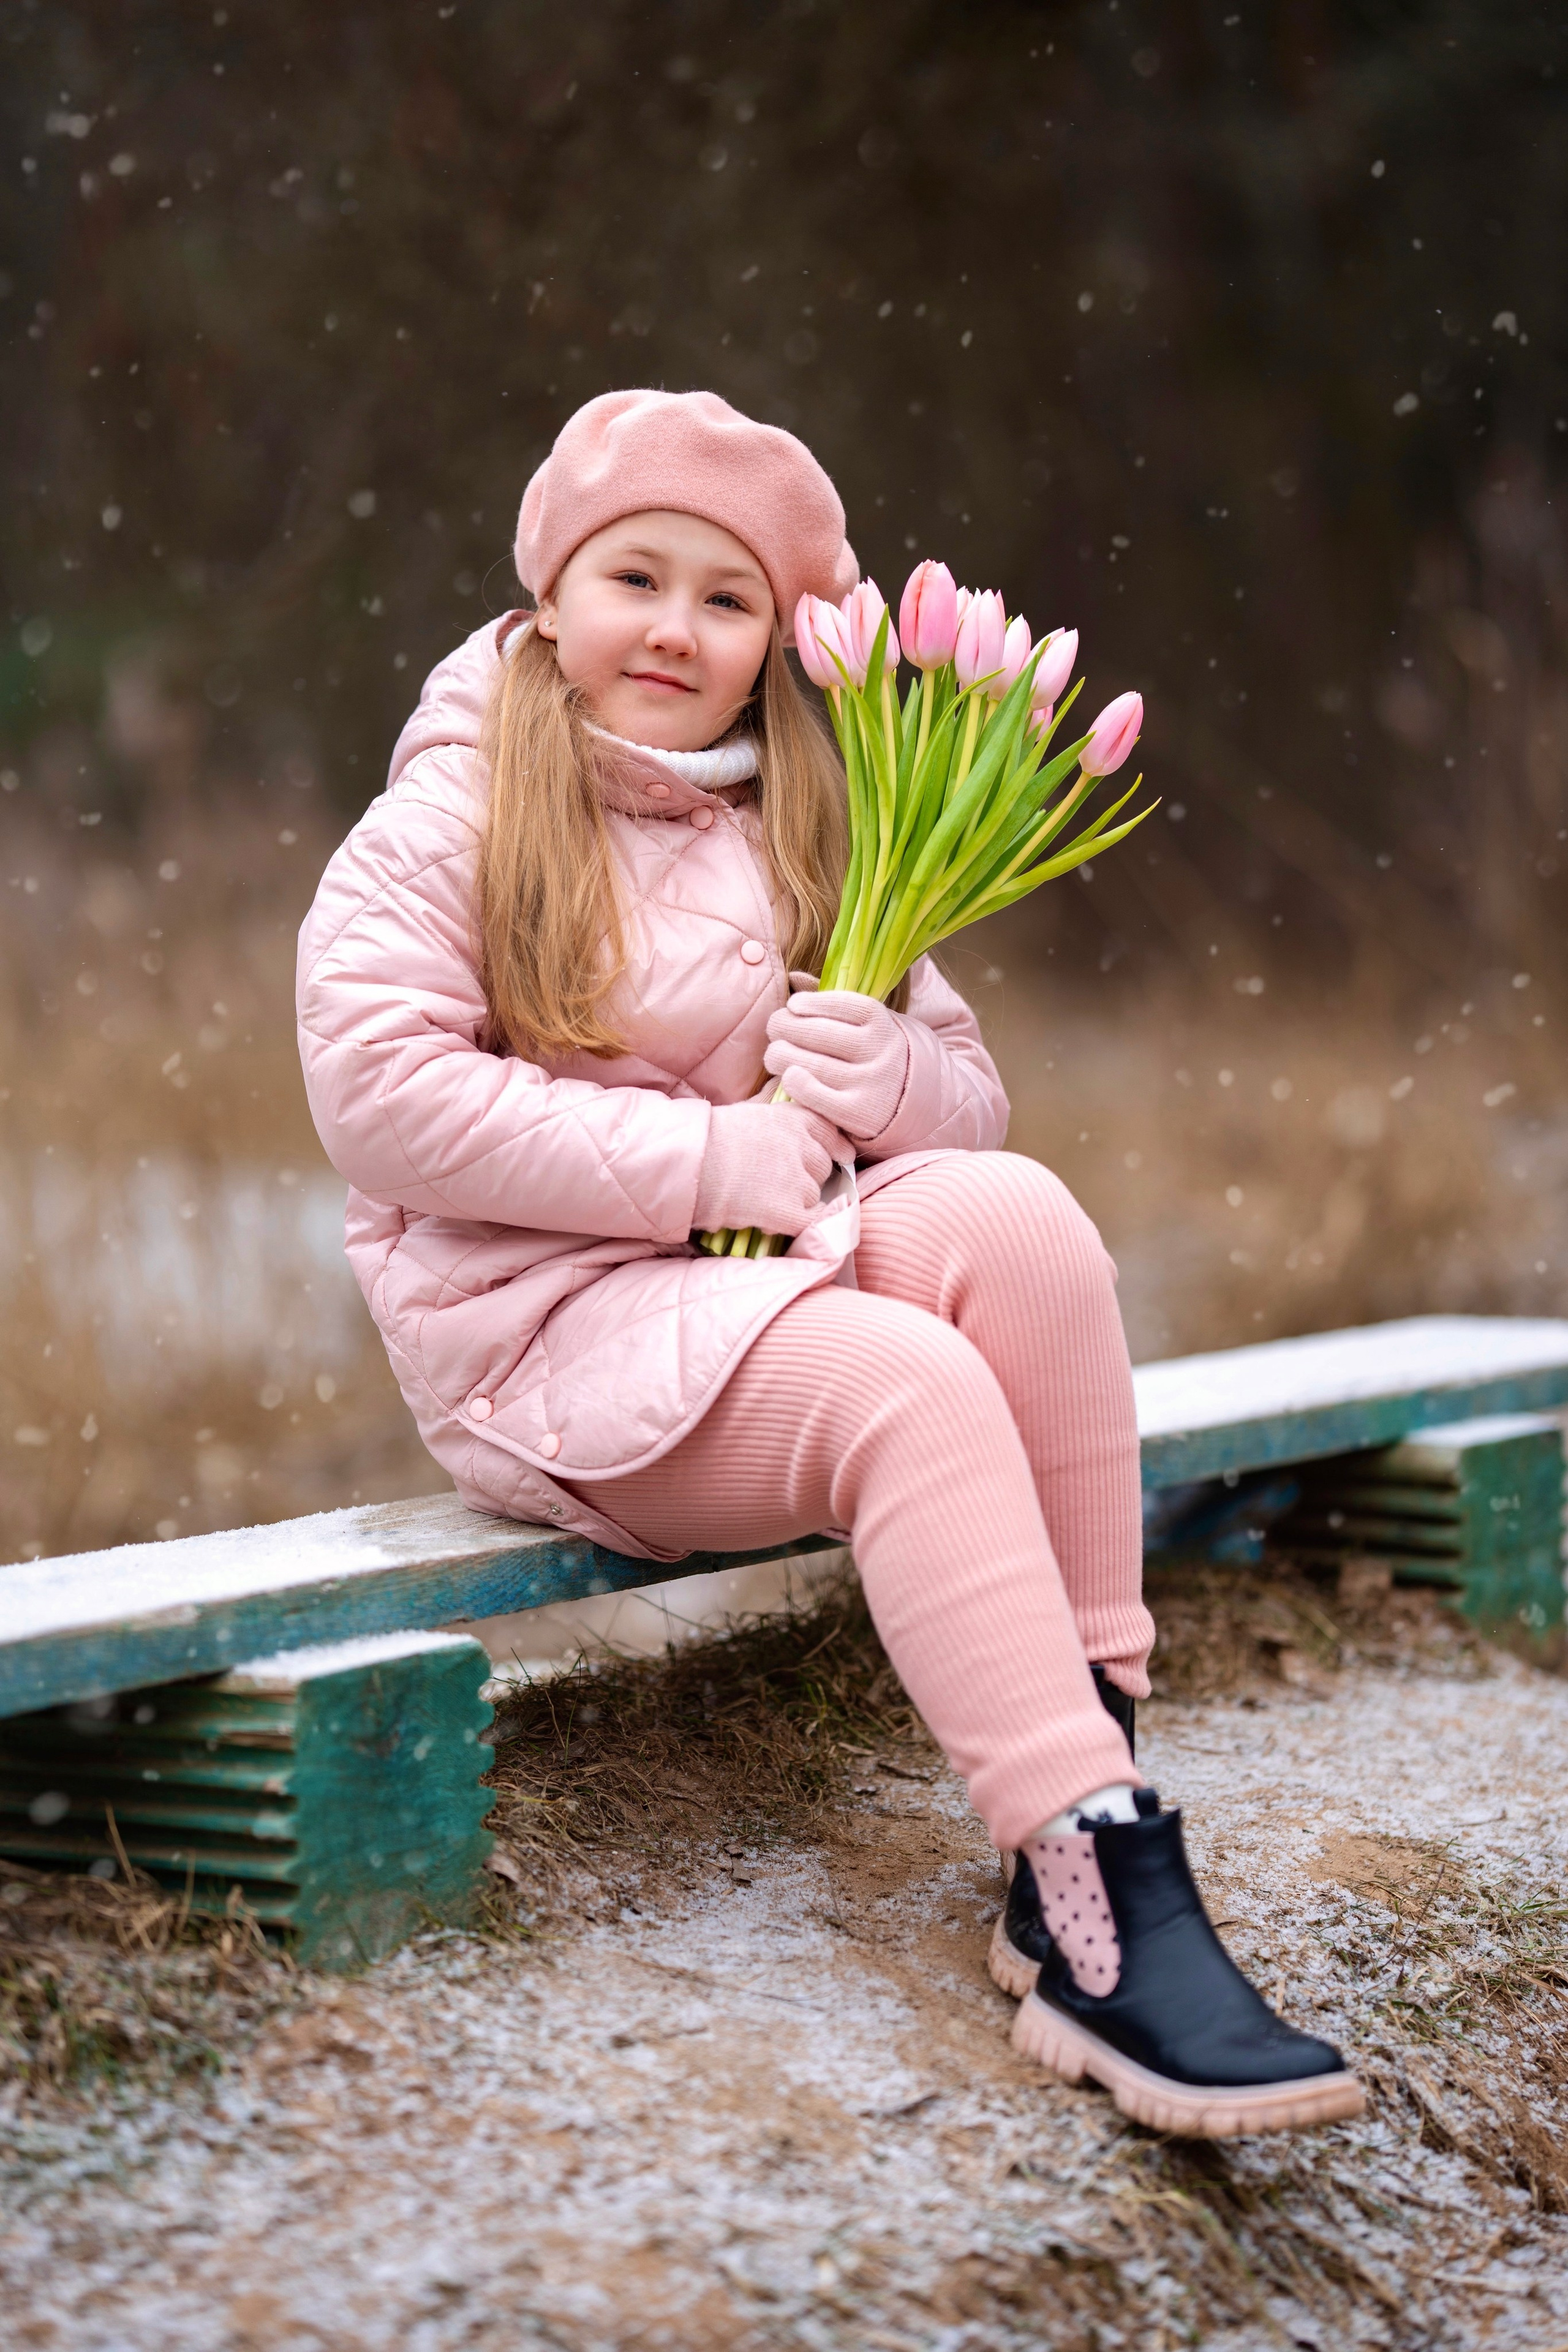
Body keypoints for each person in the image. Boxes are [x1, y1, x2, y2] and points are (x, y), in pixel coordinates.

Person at [297, 388, 1362, 2138]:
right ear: (551, 601)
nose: (674, 628)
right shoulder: (448, 826)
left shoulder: (804, 819)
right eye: (635, 576)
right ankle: (1102, 1896)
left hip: (758, 1282)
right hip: (547, 1340)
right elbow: (386, 1105)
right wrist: (712, 1157)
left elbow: (968, 1100)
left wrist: (902, 1082)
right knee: (908, 1382)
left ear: (777, 642)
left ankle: (1079, 1817)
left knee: (1019, 1216)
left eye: (726, 600)